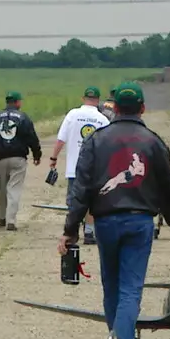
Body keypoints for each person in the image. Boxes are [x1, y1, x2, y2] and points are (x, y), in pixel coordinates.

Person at [60, 81, 170, 339]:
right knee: (131, 287)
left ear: (113, 108)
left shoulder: (97, 140)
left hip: (105, 221)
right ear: (143, 108)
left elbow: (82, 188)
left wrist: (70, 229)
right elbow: (168, 189)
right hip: (140, 222)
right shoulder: (154, 142)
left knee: (112, 285)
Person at [49, 85, 111, 244]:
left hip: (74, 168)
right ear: (97, 100)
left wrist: (53, 158)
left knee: (74, 201)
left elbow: (61, 139)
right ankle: (89, 233)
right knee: (91, 201)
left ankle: (72, 232)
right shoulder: (103, 119)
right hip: (94, 169)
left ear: (83, 99)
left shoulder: (72, 114)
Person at [0, 90, 41, 231]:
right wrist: (37, 154)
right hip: (18, 158)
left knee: (1, 189)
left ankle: (1, 217)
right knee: (14, 189)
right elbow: (32, 137)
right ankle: (11, 220)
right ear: (18, 102)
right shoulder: (23, 117)